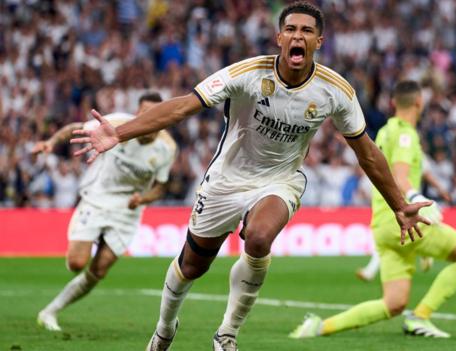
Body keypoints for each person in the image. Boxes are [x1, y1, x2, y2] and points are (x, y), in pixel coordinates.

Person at [69, 3, 432, 350]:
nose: (297, 37)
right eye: (290, 29)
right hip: (227, 179)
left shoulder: (335, 91)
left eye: (307, 31)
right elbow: (182, 106)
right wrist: (120, 132)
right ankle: (164, 329)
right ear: (279, 38)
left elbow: (366, 150)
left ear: (318, 42)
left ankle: (227, 333)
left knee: (258, 238)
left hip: (280, 180)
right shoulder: (246, 74)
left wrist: (399, 205)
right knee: (193, 265)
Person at [289, 81, 456, 340]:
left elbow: (395, 167)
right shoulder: (406, 134)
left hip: (382, 225)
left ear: (392, 103)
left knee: (394, 303)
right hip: (404, 220)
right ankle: (420, 316)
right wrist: (417, 195)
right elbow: (401, 177)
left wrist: (432, 185)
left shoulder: (384, 133)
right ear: (419, 103)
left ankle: (321, 327)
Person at [34, 92, 177, 332]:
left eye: (154, 113)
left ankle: (50, 311)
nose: (148, 118)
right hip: (97, 199)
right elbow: (76, 129)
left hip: (128, 210)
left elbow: (161, 187)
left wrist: (143, 198)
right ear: (137, 113)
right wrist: (52, 142)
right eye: (144, 112)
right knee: (77, 263)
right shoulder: (117, 124)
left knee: (99, 269)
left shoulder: (167, 147)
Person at [356, 168, 452, 282]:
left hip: (404, 199)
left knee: (391, 235)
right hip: (390, 201)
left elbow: (425, 173)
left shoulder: (407, 152)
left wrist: (439, 190)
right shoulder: (390, 154)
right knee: (391, 236)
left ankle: (371, 270)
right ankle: (424, 252)